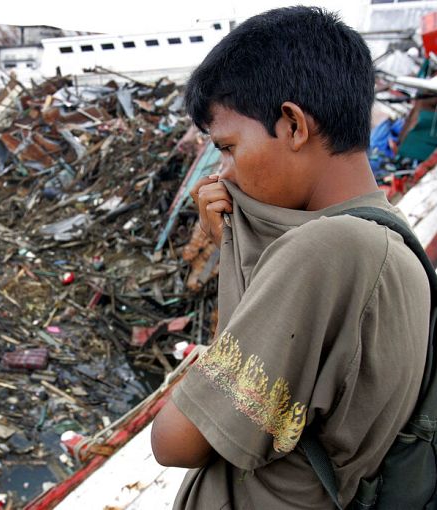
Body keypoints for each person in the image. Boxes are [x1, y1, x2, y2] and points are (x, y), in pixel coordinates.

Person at [150, 6, 430, 509]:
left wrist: (238, 251)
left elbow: (174, 442)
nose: (225, 174)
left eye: (229, 147)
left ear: (294, 124)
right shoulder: (390, 239)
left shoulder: (325, 252)